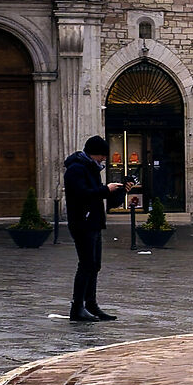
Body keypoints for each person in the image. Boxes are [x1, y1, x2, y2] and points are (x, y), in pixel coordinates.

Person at [63, 136, 131, 323]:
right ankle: (77, 308)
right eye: (102, 155)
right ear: (94, 153)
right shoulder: (75, 169)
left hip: (93, 223)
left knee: (94, 265)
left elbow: (101, 197)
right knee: (85, 265)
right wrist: (105, 190)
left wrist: (122, 190)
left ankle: (91, 305)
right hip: (81, 223)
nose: (104, 159)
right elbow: (82, 195)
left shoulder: (92, 169)